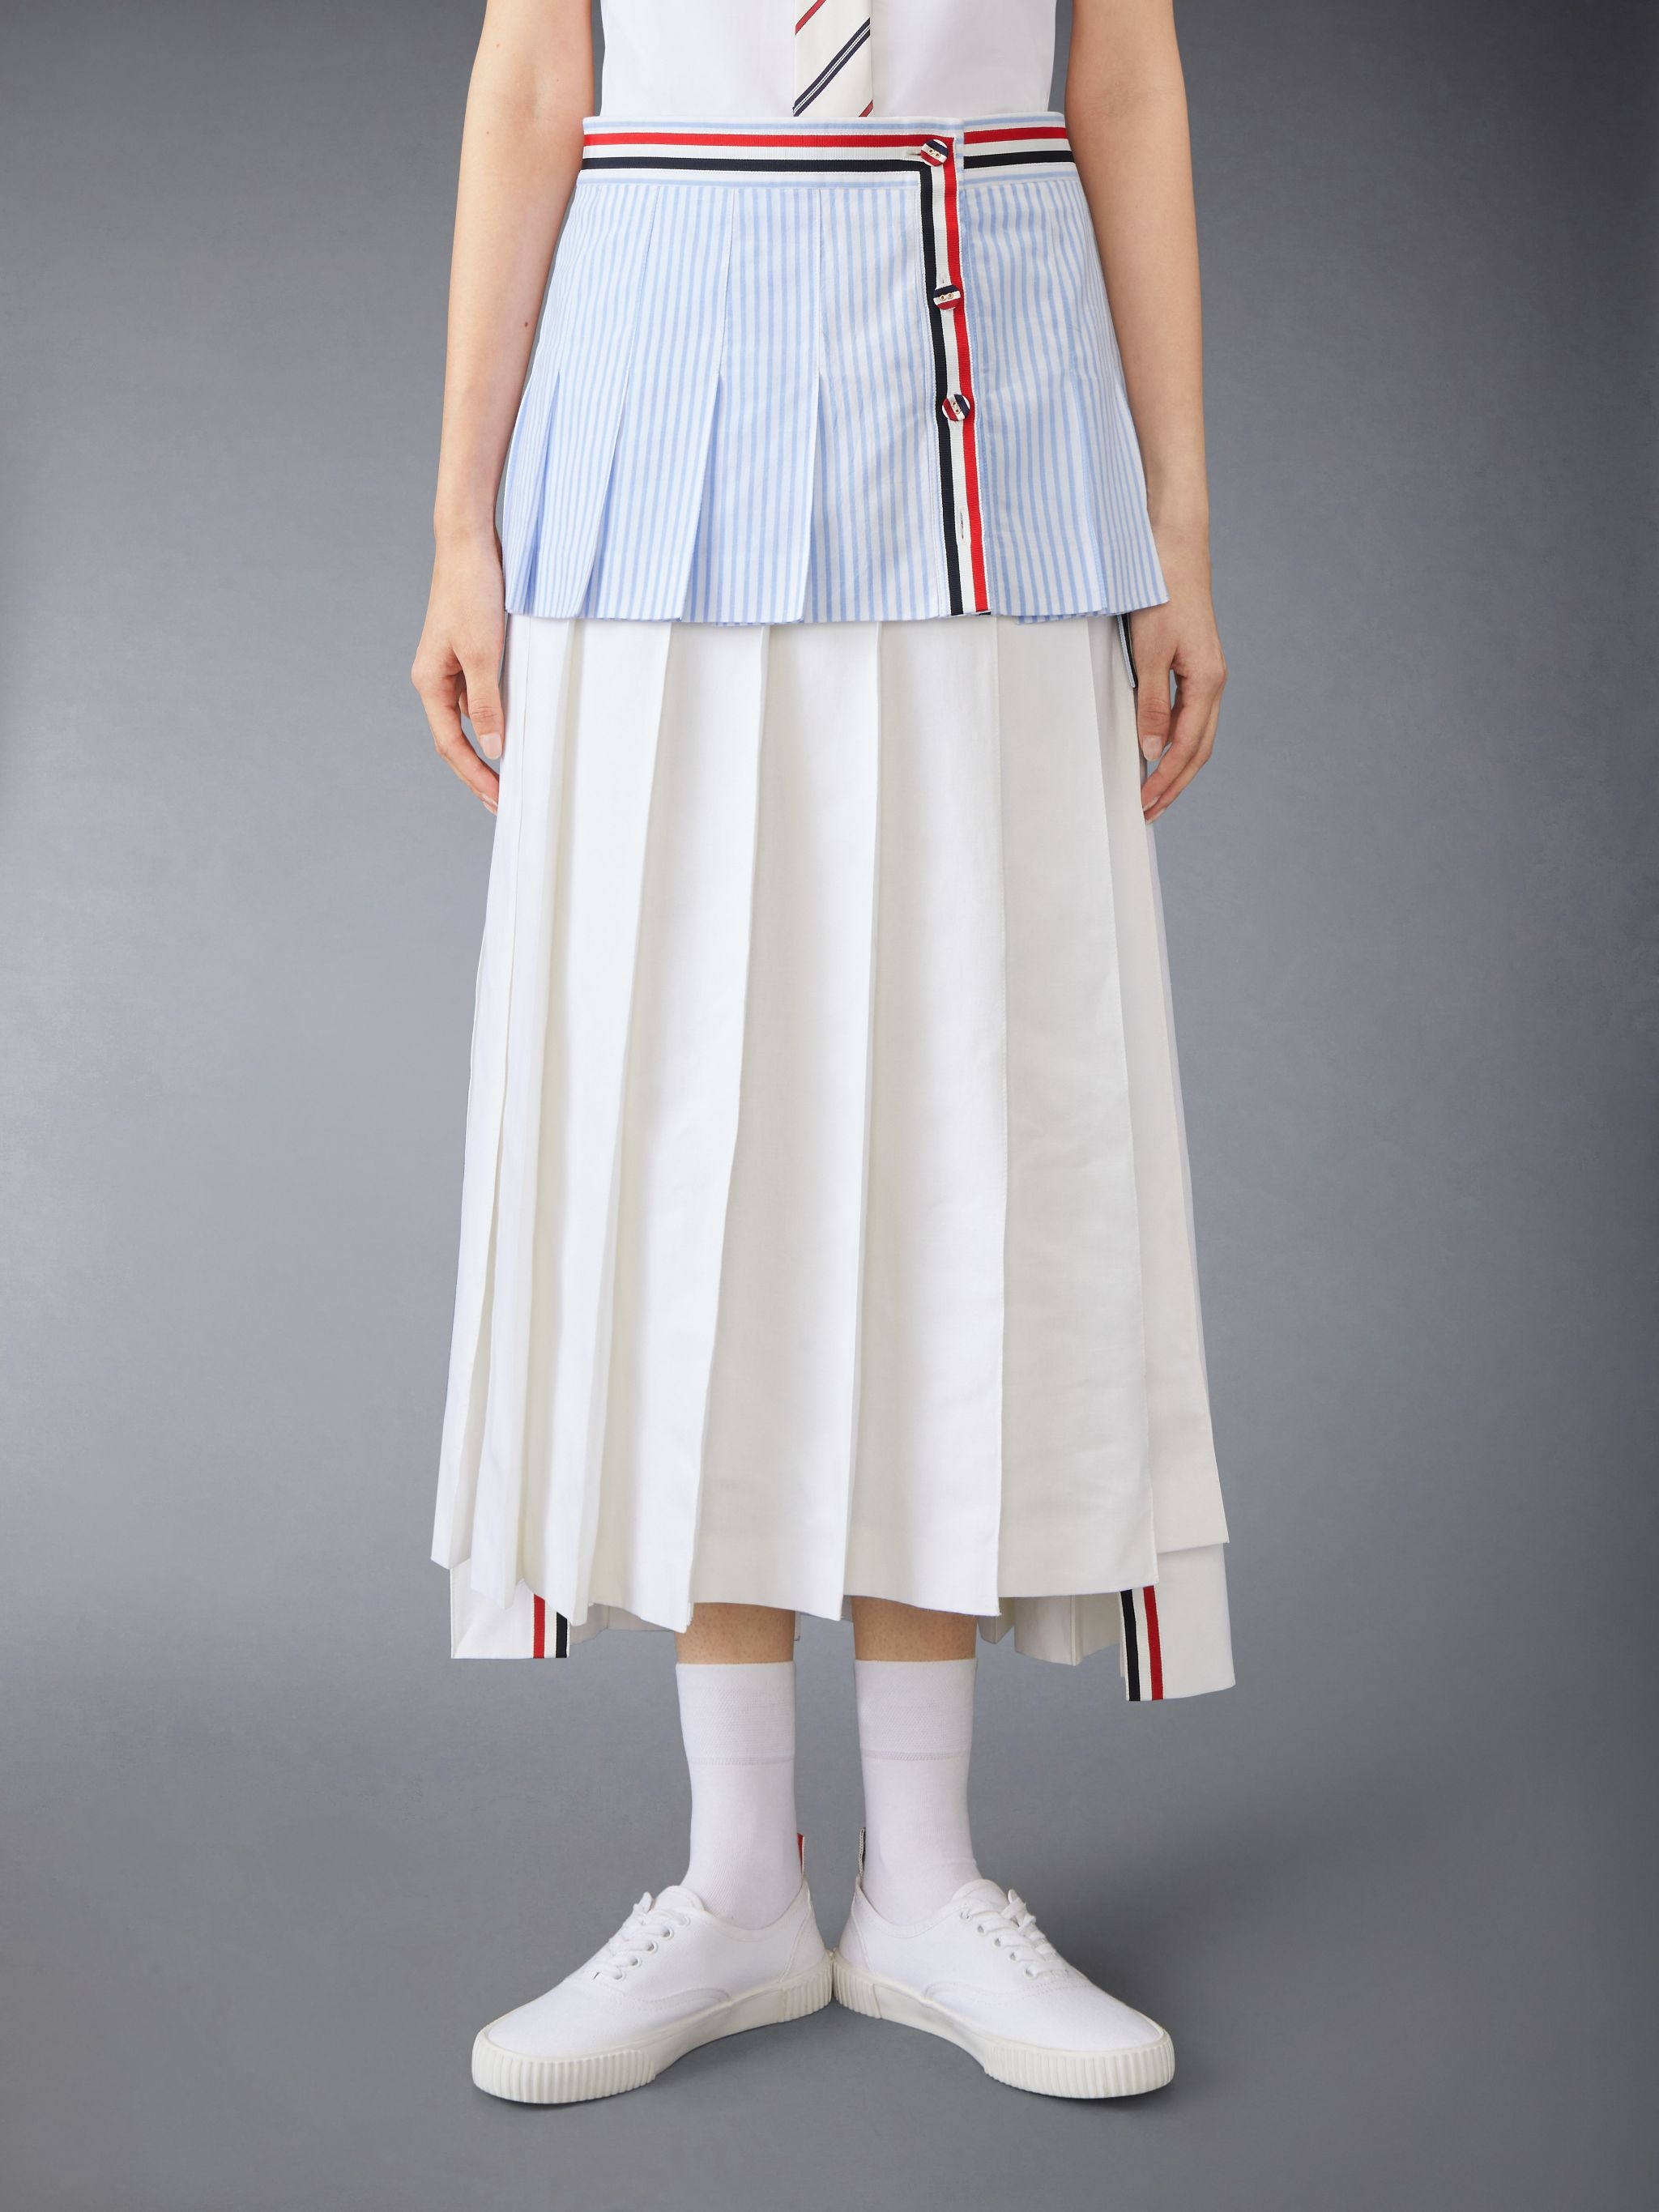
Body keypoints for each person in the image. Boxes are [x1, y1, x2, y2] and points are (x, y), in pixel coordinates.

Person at [413, 0, 1232, 2105]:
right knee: (695, 1120)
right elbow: (533, 82)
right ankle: (738, 1880)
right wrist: (461, 527)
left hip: (991, 439)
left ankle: (928, 1882)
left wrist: (1179, 528)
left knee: (957, 1126)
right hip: (651, 449)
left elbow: (1125, 80)